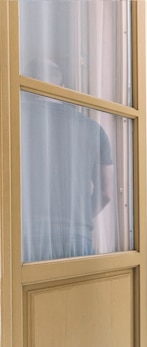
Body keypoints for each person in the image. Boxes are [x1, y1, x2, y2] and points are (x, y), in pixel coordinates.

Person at [21, 59, 113, 262]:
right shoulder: (92, 128)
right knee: (73, 293)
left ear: (26, 86)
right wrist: (79, 218)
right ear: (62, 88)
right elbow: (106, 192)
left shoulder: (15, 123)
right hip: (77, 232)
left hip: (27, 231)